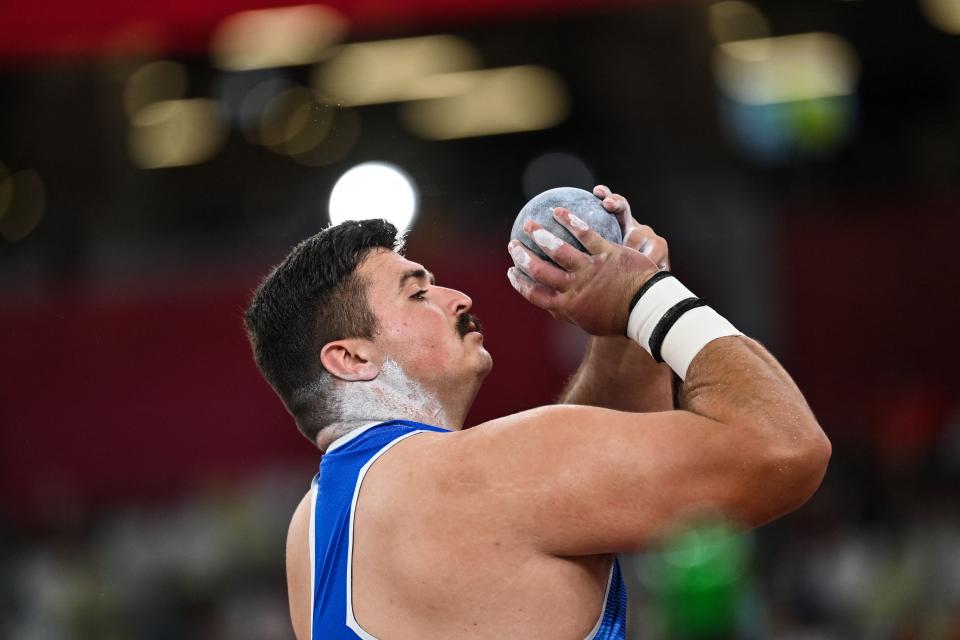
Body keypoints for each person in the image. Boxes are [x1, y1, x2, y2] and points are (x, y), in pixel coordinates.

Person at [243, 185, 831, 640]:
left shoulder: (312, 533)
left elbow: (576, 492)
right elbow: (785, 448)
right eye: (418, 293)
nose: (459, 297)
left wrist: (621, 327)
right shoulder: (478, 475)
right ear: (350, 357)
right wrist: (650, 298)